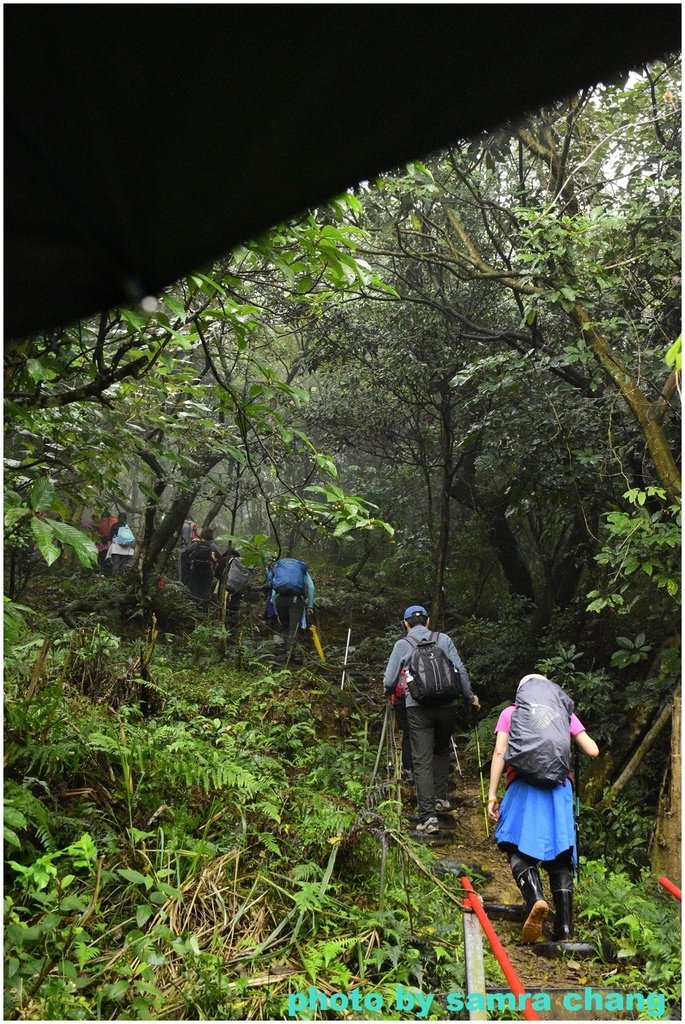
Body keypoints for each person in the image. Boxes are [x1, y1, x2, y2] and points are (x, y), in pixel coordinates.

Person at [487, 673, 599, 944]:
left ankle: (535, 898)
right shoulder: (563, 713)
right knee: (559, 856)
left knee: (514, 845)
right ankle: (565, 930)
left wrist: (492, 795)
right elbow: (593, 750)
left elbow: (500, 753)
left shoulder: (511, 713)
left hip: (523, 787)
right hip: (558, 790)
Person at [382, 605, 480, 833]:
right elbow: (461, 671)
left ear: (405, 624)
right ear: (427, 621)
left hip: (418, 708)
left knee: (421, 759)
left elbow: (389, 681)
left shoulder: (402, 645)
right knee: (442, 749)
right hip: (447, 706)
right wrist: (471, 697)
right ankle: (440, 798)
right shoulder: (444, 639)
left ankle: (428, 817)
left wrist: (388, 693)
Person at [265, 556, 315, 664]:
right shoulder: (301, 571)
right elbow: (311, 587)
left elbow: (273, 594)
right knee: (293, 627)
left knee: (285, 626)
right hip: (296, 600)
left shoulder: (279, 571)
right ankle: (289, 654)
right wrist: (310, 606)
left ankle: (282, 651)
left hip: (280, 600)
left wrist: (276, 611)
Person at [187, 528, 220, 607]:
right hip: (207, 569)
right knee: (206, 588)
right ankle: (204, 607)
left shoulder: (196, 543)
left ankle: (194, 606)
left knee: (195, 587)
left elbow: (187, 550)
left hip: (195, 568)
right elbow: (219, 555)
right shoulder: (212, 545)